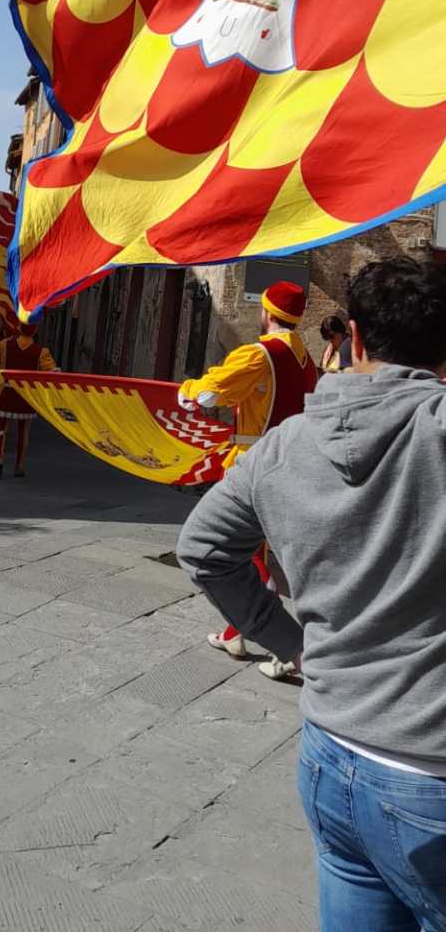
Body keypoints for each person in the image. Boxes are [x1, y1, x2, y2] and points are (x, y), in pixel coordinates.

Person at [177, 257, 446, 931]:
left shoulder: (283, 444)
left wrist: (293, 645)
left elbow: (202, 549)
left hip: (329, 753)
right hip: (427, 775)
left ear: (351, 338)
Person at [177, 280, 317, 674]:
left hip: (253, 463)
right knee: (259, 550)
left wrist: (185, 391)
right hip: (291, 461)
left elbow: (209, 393)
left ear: (268, 313)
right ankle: (233, 632)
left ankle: (285, 648)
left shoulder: (260, 353)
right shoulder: (308, 359)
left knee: (227, 550)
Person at [0, 321, 57, 480]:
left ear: (18, 328)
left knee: (0, 426)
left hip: (6, 391)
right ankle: (19, 466)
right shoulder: (41, 352)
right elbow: (50, 371)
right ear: (36, 331)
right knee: (23, 433)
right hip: (26, 396)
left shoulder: (4, 346)